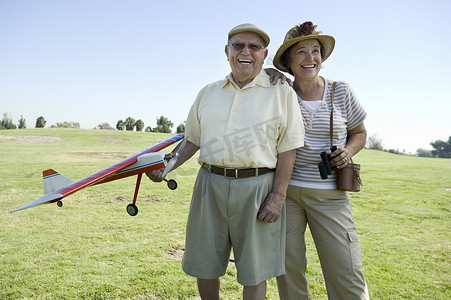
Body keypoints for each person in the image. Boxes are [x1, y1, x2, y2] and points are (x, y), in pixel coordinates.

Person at [147, 23, 305, 300]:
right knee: (204, 265)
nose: (246, 51)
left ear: (264, 55)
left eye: (254, 47)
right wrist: (167, 166)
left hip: (259, 188)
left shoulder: (282, 92)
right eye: (238, 45)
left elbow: (288, 149)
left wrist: (278, 196)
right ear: (227, 51)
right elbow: (193, 140)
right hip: (209, 185)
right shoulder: (208, 93)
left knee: (256, 270)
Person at [269, 21, 370, 299]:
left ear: (322, 59)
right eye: (301, 52)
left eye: (316, 51)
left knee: (346, 271)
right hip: (286, 195)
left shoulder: (342, 91)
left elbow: (360, 133)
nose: (310, 57)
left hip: (331, 196)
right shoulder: (281, 92)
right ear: (289, 62)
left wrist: (348, 151)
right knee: (288, 270)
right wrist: (265, 73)